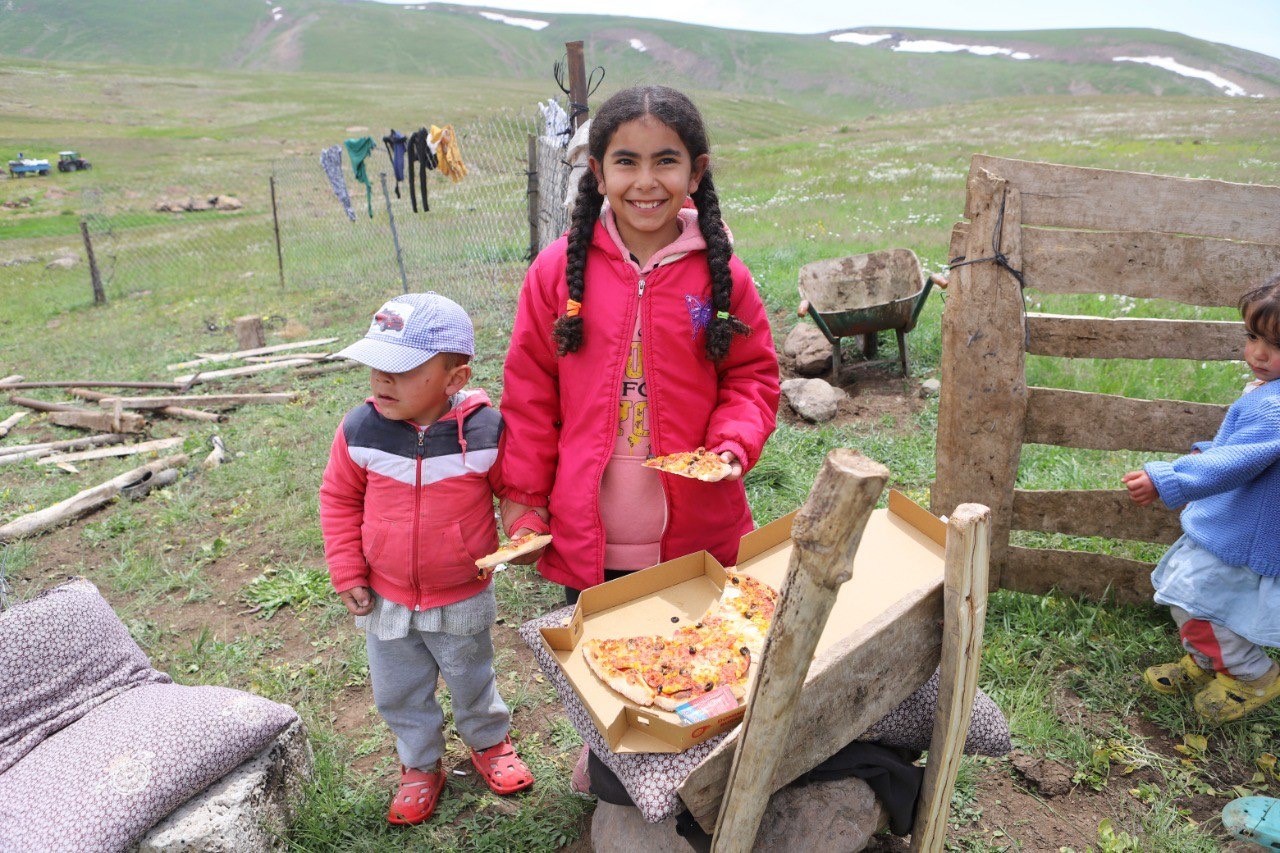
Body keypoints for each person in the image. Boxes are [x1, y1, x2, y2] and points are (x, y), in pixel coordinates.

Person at [498, 85, 780, 790]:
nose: (646, 181)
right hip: (587, 536)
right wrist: (525, 505)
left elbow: (752, 378)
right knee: (603, 668)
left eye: (666, 162)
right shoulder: (555, 274)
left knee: (691, 672)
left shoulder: (724, 279)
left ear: (697, 171)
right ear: (598, 174)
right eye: (626, 162)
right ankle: (613, 770)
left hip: (695, 534)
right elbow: (529, 400)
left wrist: (731, 443)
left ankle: (693, 784)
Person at [320, 292, 539, 825]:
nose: (381, 381)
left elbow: (514, 490)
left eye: (401, 369)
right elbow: (338, 498)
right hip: (386, 595)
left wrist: (525, 531)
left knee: (471, 676)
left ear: (454, 379)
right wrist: (347, 568)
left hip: (462, 590)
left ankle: (488, 743)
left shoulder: (486, 431)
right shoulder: (360, 431)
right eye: (376, 365)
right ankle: (419, 764)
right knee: (398, 690)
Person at [1123, 274, 1280, 723]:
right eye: (1253, 336)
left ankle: (1254, 676)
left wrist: (1169, 478)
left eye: (1276, 345)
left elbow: (1239, 461)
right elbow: (1244, 452)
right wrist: (1209, 452)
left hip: (1242, 534)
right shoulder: (1269, 393)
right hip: (1242, 524)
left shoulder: (1275, 408)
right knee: (1211, 602)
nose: (1258, 354)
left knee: (1196, 601)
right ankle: (1209, 660)